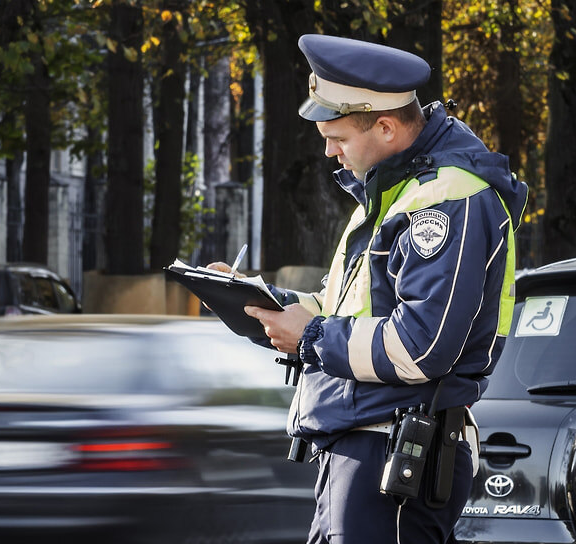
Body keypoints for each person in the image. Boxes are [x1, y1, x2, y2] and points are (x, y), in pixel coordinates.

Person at [210, 34, 527, 544]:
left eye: (337, 137)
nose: (329, 151)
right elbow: (347, 310)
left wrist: (310, 337)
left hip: (395, 453)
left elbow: (420, 346)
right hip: (368, 449)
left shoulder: (445, 200)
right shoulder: (396, 190)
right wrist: (262, 301)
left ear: (384, 126)